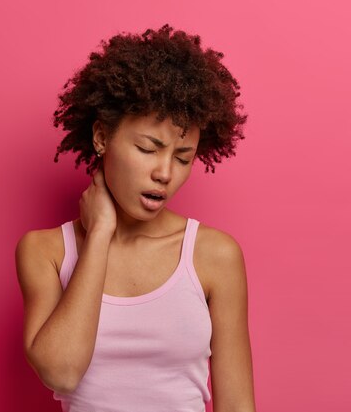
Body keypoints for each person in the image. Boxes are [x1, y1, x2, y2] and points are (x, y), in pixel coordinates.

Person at [15, 24, 256, 412]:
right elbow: (61, 373)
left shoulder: (214, 255)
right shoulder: (45, 251)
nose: (165, 173)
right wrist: (100, 234)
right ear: (101, 137)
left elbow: (238, 406)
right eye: (148, 148)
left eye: (182, 157)